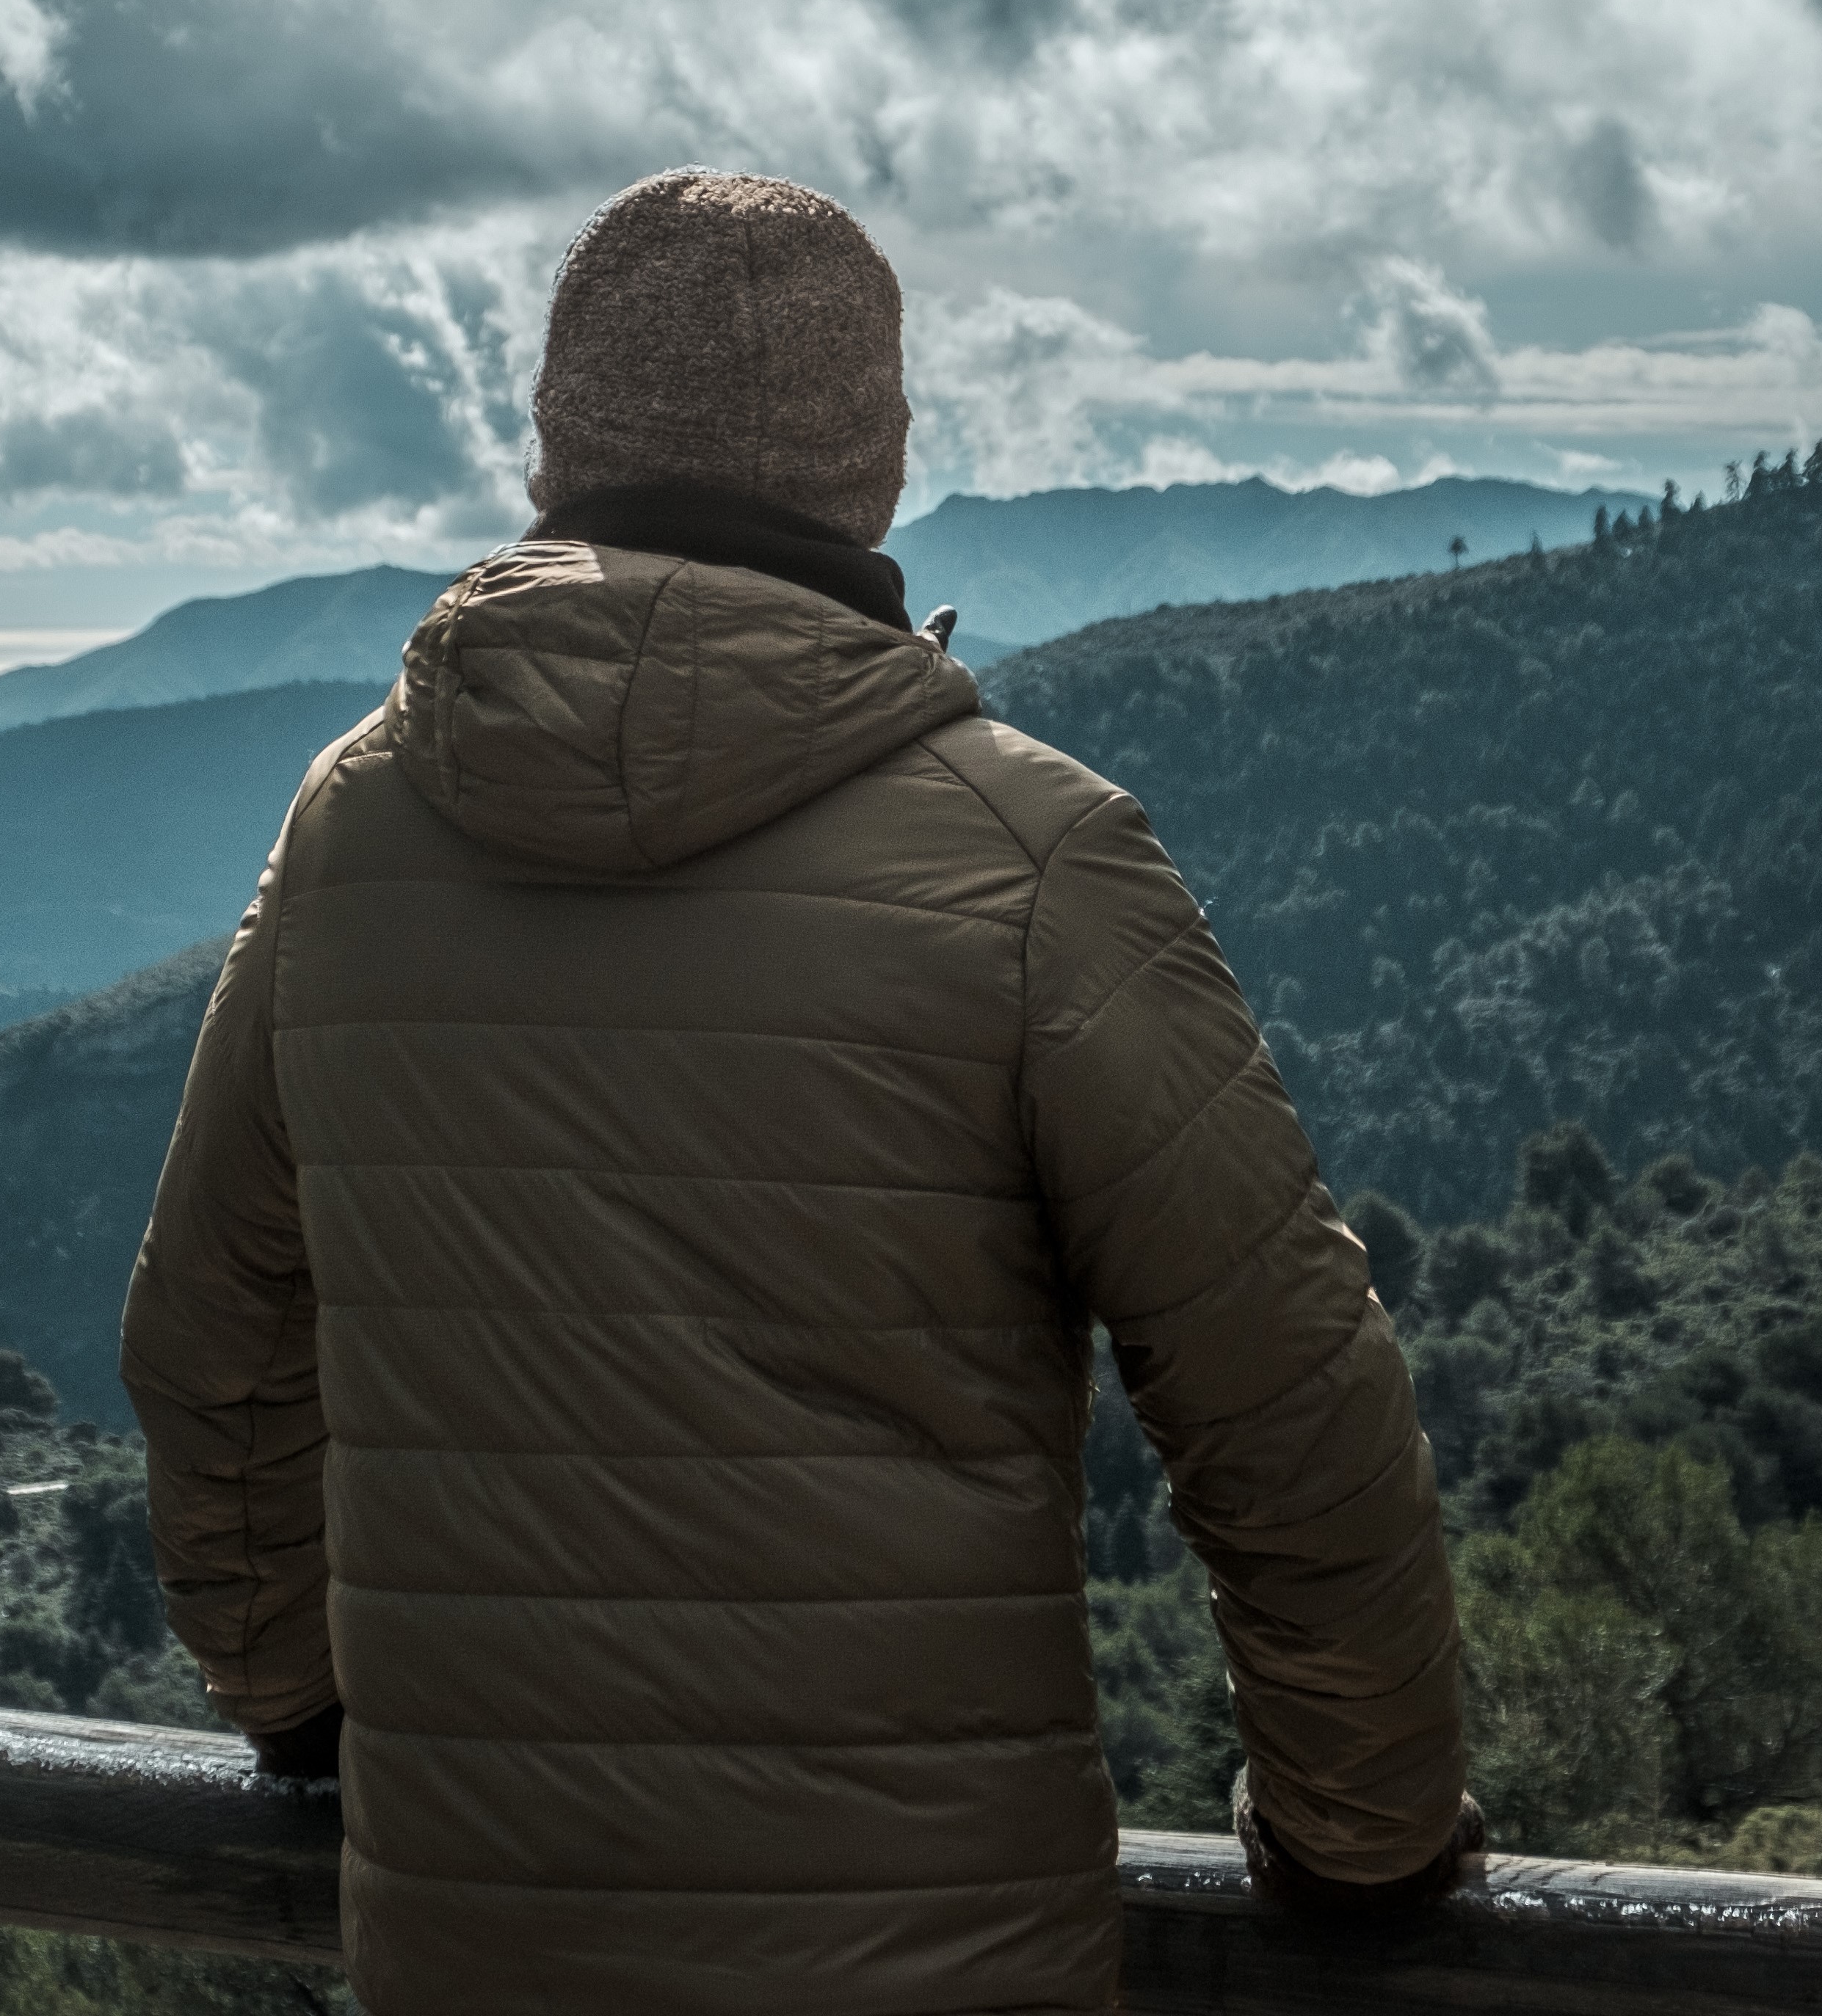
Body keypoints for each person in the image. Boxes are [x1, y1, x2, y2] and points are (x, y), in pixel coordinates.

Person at [121, 170, 1470, 2015]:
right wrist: (1359, 1837)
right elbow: (1285, 1399)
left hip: (476, 1948)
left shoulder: (355, 827)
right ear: (881, 459)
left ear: (551, 437)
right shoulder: (1030, 859)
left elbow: (211, 1333)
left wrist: (302, 1704)